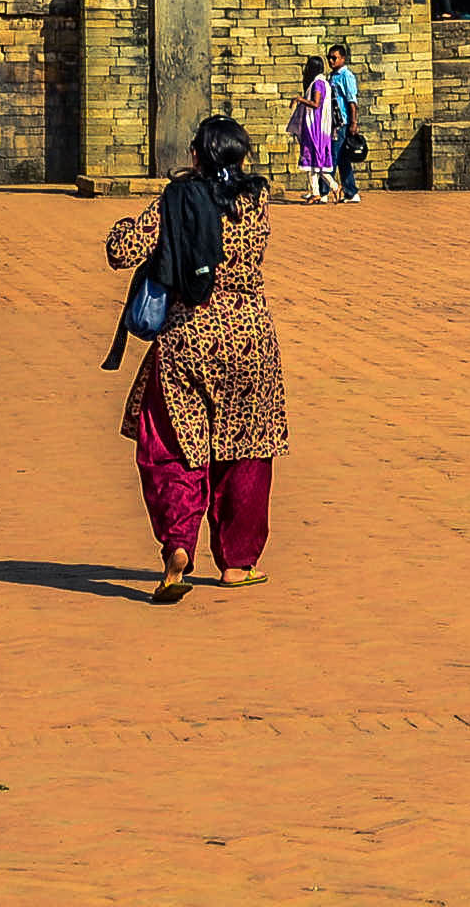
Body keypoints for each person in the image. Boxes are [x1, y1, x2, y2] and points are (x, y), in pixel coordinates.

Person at [107, 115, 288, 601]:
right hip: (250, 338)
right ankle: (238, 562)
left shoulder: (177, 201)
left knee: (171, 445)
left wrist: (134, 224)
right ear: (242, 156)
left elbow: (121, 250)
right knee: (248, 447)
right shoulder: (257, 200)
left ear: (195, 155)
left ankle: (178, 546)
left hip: (188, 337)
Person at [291, 56, 338, 203]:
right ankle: (322, 190)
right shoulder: (323, 82)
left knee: (313, 160)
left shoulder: (317, 84)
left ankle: (327, 188)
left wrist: (300, 99)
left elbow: (316, 104)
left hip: (315, 128)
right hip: (319, 127)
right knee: (315, 162)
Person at [325, 43, 365, 202]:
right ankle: (351, 191)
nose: (331, 61)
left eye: (334, 58)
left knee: (332, 157)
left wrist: (353, 122)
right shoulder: (333, 76)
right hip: (334, 122)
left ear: (343, 58)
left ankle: (323, 191)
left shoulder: (346, 76)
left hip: (342, 123)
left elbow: (351, 101)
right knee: (342, 159)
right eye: (329, 58)